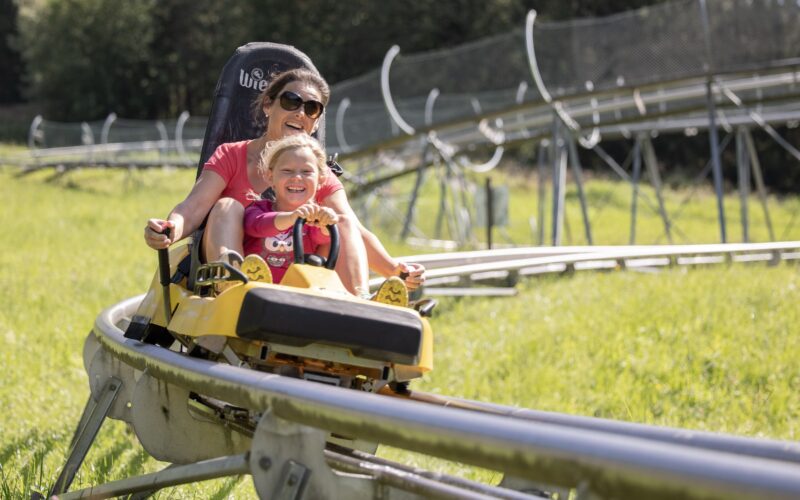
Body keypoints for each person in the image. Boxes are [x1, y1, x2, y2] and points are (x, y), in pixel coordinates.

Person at [143, 68, 424, 295]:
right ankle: (235, 287)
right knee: (227, 206)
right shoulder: (232, 155)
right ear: (268, 105)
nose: (301, 113)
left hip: (297, 272)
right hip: (230, 258)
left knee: (338, 219)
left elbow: (353, 228)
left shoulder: (317, 173)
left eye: (312, 108)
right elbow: (193, 208)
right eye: (291, 101)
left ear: (315, 123)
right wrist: (170, 228)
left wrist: (394, 269)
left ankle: (357, 299)